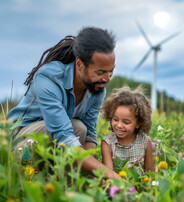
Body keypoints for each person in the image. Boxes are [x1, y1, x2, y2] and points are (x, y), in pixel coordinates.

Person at [8, 26, 121, 180]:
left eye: (111, 71)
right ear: (80, 64)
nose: (107, 79)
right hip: (21, 140)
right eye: (100, 72)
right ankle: (24, 181)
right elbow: (64, 136)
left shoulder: (97, 88)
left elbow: (89, 136)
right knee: (71, 130)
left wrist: (94, 175)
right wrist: (110, 175)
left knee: (81, 129)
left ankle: (66, 190)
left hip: (55, 143)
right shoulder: (48, 78)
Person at [100, 86, 154, 175]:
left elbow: (150, 173)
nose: (119, 125)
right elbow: (108, 175)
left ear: (138, 123)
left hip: (139, 187)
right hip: (117, 186)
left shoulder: (145, 141)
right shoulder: (108, 143)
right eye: (115, 119)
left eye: (126, 122)